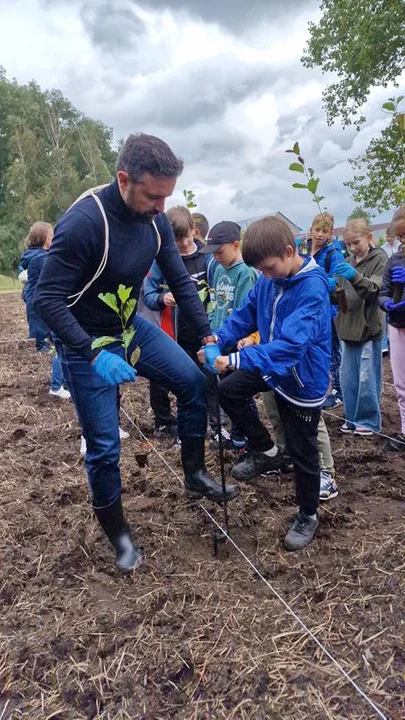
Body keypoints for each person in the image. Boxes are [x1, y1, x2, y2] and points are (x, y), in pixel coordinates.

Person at [34, 133, 238, 573]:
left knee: (192, 382)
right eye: (153, 196)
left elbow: (180, 282)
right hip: (86, 339)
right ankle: (119, 534)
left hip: (129, 328)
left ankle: (194, 473)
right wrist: (91, 353)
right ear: (124, 179)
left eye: (168, 197)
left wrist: (206, 337)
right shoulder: (85, 223)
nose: (162, 208)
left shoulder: (156, 219)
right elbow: (46, 299)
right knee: (105, 446)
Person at [201, 216, 331, 551]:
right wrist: (219, 338)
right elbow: (245, 313)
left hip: (301, 378)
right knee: (228, 390)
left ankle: (308, 513)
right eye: (261, 270)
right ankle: (266, 450)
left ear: (289, 251)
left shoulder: (313, 289)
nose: (266, 275)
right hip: (271, 366)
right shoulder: (268, 279)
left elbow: (290, 347)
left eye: (270, 268)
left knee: (303, 450)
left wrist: (235, 360)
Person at [143, 205, 217, 438]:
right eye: (176, 242)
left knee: (208, 378)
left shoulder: (209, 256)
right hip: (172, 332)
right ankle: (164, 421)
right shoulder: (161, 260)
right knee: (162, 379)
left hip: (203, 330)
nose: (183, 246)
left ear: (194, 231)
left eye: (185, 239)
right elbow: (148, 295)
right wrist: (163, 298)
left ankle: (213, 425)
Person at [236, 334, 338, 501]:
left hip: (301, 360)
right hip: (269, 357)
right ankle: (285, 456)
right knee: (274, 410)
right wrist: (253, 338)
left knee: (309, 418)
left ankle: (326, 471)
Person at [199, 221, 258, 449]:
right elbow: (215, 303)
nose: (216, 257)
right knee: (223, 388)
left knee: (238, 392)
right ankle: (237, 436)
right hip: (220, 340)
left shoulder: (246, 273)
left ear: (236, 245)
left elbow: (244, 312)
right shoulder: (217, 268)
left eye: (219, 251)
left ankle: (244, 437)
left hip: (237, 344)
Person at [334, 219, 387, 436]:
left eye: (356, 242)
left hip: (367, 327)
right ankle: (352, 418)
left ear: (369, 237)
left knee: (367, 376)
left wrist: (354, 276)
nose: (352, 248)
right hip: (348, 327)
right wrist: (332, 288)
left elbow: (374, 289)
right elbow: (341, 296)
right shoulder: (348, 261)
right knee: (348, 377)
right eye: (348, 244)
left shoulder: (380, 259)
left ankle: (368, 420)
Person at [19, 222, 70, 399]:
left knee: (61, 345)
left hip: (40, 308)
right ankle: (56, 387)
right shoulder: (42, 259)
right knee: (61, 345)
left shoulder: (35, 257)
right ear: (43, 239)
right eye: (51, 235)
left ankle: (63, 382)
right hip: (46, 309)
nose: (54, 238)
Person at [308, 212, 344, 409]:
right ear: (311, 229)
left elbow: (337, 282)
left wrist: (316, 278)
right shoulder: (305, 250)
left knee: (332, 351)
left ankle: (338, 391)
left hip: (329, 310)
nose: (320, 234)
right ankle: (322, 387)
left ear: (330, 233)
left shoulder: (333, 253)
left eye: (325, 231)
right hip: (312, 309)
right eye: (317, 230)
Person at [378, 206, 405, 450]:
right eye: (401, 237)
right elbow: (384, 290)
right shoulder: (395, 259)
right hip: (398, 327)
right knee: (401, 384)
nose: (403, 241)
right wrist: (386, 302)